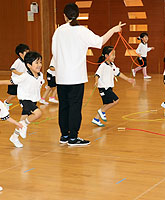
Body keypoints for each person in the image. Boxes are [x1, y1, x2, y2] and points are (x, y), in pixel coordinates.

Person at [51, 3, 125, 146]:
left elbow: (55, 53)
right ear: (77, 15)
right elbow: (100, 41)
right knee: (74, 107)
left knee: (64, 106)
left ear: (64, 16)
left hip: (61, 77)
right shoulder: (81, 31)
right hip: (75, 77)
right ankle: (73, 138)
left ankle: (64, 136)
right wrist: (114, 29)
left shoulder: (59, 31)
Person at [0, 51, 44, 148]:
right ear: (29, 65)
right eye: (36, 62)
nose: (39, 65)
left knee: (21, 121)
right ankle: (24, 124)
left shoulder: (40, 75)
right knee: (38, 113)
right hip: (25, 100)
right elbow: (11, 81)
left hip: (33, 100)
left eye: (40, 62)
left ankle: (14, 137)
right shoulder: (24, 75)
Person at [92, 46, 135, 127]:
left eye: (114, 55)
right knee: (115, 100)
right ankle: (101, 112)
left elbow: (118, 73)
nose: (114, 56)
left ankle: (96, 119)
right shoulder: (103, 65)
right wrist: (96, 81)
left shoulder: (112, 65)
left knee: (106, 104)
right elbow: (97, 74)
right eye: (112, 55)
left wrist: (128, 79)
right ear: (106, 56)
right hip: (103, 88)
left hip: (109, 87)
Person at [4, 44, 30, 110]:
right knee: (13, 95)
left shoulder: (27, 60)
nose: (28, 53)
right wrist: (19, 73)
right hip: (15, 80)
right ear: (21, 54)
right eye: (26, 52)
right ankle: (6, 102)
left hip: (22, 81)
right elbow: (12, 69)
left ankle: (22, 102)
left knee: (23, 92)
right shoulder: (18, 61)